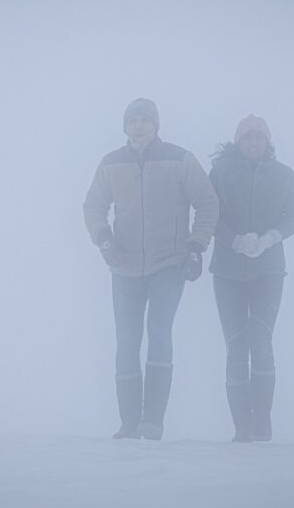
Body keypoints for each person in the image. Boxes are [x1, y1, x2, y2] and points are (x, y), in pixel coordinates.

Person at [83, 98, 219, 440]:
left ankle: (152, 421)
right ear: (125, 127)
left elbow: (207, 202)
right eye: (133, 121)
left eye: (145, 120)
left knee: (159, 333)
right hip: (124, 265)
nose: (139, 126)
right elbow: (94, 205)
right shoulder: (110, 163)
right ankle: (129, 423)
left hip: (168, 264)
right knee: (126, 341)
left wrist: (195, 247)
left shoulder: (179, 159)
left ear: (156, 125)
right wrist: (103, 238)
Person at [208, 115, 294, 442]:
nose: (252, 142)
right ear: (238, 142)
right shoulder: (221, 173)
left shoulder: (284, 175)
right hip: (227, 272)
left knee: (261, 344)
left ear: (267, 143)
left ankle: (262, 422)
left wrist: (269, 238)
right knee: (236, 347)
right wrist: (234, 240)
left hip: (269, 271)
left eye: (258, 137)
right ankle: (241, 428)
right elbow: (209, 214)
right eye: (247, 137)